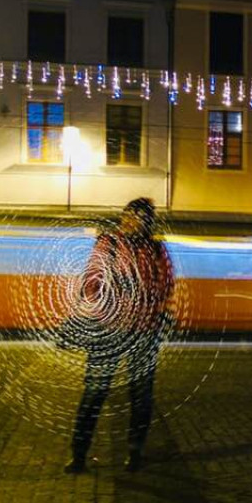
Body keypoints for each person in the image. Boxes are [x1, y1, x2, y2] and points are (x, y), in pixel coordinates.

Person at [63, 198, 174, 474]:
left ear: (148, 221)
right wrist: (107, 303)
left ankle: (135, 452)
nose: (130, 221)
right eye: (127, 215)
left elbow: (166, 285)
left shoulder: (158, 250)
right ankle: (79, 454)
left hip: (145, 332)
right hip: (108, 331)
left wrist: (150, 305)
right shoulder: (109, 243)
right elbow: (91, 280)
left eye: (137, 216)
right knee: (94, 392)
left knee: (141, 396)